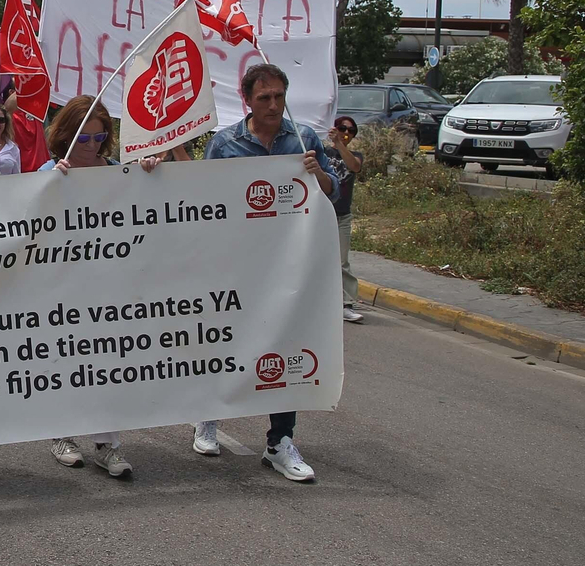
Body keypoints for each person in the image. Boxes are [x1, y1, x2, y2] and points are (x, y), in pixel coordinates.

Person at [193, 63, 338, 483]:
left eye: (279, 96)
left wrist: (319, 175)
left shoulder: (304, 138)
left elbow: (333, 191)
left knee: (284, 347)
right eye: (264, 98)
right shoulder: (225, 144)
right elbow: (200, 200)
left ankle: (280, 441)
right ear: (247, 100)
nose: (273, 105)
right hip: (236, 266)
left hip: (289, 267)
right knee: (225, 342)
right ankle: (208, 417)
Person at [35, 95, 160, 479]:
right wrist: (49, 185)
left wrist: (148, 171)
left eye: (97, 137)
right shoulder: (50, 170)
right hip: (64, 289)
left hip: (109, 289)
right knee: (67, 360)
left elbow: (147, 206)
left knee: (109, 362)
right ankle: (63, 434)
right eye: (82, 138)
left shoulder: (119, 173)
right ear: (65, 136)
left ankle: (108, 445)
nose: (90, 146)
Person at [326, 115, 365, 324]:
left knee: (342, 261)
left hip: (342, 216)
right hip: (322, 214)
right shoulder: (324, 152)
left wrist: (340, 145)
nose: (346, 133)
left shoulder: (354, 154)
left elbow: (354, 166)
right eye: (342, 128)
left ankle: (347, 304)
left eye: (351, 130)